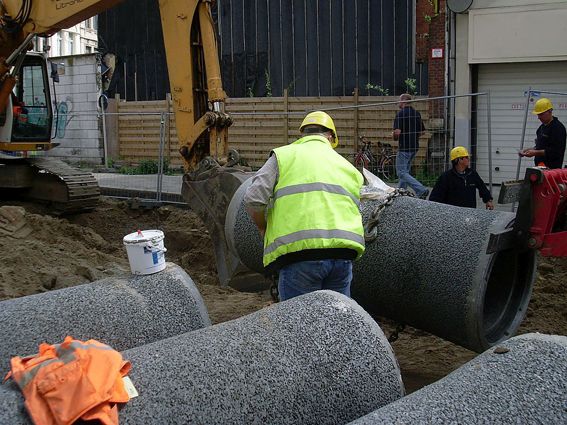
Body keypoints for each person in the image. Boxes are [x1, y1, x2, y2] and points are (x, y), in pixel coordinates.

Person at [244, 111, 365, 301]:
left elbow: (253, 198)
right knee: (337, 323)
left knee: (298, 326)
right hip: (343, 255)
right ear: (331, 137)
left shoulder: (283, 156)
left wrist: (262, 226)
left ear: (303, 134)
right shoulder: (348, 167)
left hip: (300, 257)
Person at [429, 146, 494, 210]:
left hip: (470, 212)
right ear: (458, 160)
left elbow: (482, 187)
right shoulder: (446, 177)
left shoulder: (472, 174)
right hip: (452, 213)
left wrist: (488, 200)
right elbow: (435, 196)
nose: (468, 159)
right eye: (466, 157)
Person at [392, 93, 429, 199]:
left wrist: (393, 135)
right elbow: (422, 132)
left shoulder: (401, 114)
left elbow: (397, 133)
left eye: (399, 101)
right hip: (414, 147)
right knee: (405, 171)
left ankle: (421, 189)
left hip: (404, 147)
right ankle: (400, 192)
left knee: (401, 173)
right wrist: (413, 133)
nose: (398, 103)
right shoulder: (416, 114)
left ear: (403, 101)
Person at [518, 98, 566, 169]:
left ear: (550, 111)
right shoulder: (541, 128)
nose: (539, 117)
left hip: (551, 170)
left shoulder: (558, 128)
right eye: (538, 114)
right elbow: (539, 147)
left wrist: (535, 153)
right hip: (539, 168)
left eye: (541, 114)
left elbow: (556, 151)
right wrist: (527, 150)